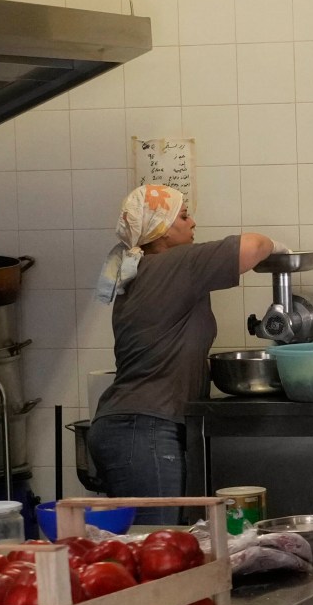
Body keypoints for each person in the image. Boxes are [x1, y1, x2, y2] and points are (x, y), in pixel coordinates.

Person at [86, 184, 274, 521]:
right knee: (158, 543)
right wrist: (276, 248)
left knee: (161, 544)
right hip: (143, 429)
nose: (193, 223)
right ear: (161, 230)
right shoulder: (173, 264)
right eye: (183, 216)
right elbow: (254, 245)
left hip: (137, 426)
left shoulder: (147, 269)